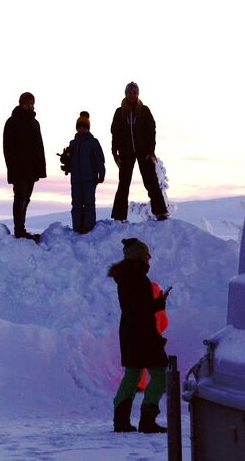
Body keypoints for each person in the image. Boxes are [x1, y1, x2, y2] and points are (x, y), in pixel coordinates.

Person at [108, 237, 169, 434]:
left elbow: (133, 308)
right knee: (160, 375)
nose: (149, 259)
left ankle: (121, 420)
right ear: (139, 257)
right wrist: (158, 304)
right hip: (143, 333)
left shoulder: (126, 276)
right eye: (147, 256)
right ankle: (148, 419)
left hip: (129, 332)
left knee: (132, 375)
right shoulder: (137, 278)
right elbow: (141, 310)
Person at [109, 82, 168, 221]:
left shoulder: (144, 110)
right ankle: (119, 216)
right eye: (129, 92)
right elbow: (114, 133)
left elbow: (151, 130)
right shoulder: (119, 112)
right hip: (126, 152)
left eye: (134, 93)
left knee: (151, 181)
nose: (132, 95)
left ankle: (160, 212)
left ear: (138, 94)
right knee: (123, 183)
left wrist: (151, 151)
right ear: (126, 94)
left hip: (144, 151)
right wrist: (114, 152)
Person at [2, 91, 46, 240]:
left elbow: (40, 147)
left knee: (26, 199)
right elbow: (7, 148)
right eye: (27, 103)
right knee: (20, 198)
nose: (30, 106)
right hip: (19, 170)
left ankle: (21, 229)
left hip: (31, 170)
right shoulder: (12, 122)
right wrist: (12, 168)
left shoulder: (34, 123)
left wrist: (41, 169)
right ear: (21, 103)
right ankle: (19, 230)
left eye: (32, 103)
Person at [66, 111, 105, 234]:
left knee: (89, 203)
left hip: (89, 178)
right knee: (76, 203)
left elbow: (100, 159)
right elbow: (69, 160)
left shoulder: (93, 142)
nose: (82, 129)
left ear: (88, 128)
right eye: (80, 127)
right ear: (77, 128)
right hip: (76, 179)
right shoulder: (73, 143)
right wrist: (66, 160)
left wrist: (101, 173)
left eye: (84, 127)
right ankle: (77, 227)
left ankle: (88, 227)